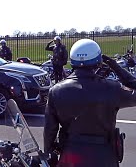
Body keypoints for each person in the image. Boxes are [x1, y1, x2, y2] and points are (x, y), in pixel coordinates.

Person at [44, 39, 136, 167]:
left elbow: (50, 129)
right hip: (103, 155)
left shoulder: (56, 91)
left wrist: (49, 153)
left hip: (71, 154)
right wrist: (115, 66)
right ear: (98, 60)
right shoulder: (111, 88)